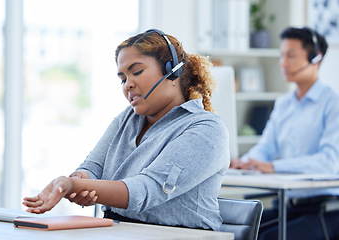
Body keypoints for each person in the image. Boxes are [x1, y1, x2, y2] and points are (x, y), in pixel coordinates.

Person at [23, 29, 230, 231]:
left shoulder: (207, 129)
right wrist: (82, 180)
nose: (127, 85)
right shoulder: (128, 119)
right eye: (122, 78)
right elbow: (93, 167)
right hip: (119, 231)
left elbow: (145, 190)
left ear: (172, 71)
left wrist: (73, 186)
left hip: (178, 236)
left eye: (137, 72)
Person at [231, 27, 339, 240]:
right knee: (236, 230)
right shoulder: (283, 104)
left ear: (315, 58)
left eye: (291, 55)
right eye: (282, 55)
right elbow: (267, 147)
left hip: (324, 209)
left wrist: (274, 167)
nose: (283, 62)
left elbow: (329, 163)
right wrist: (246, 162)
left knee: (267, 237)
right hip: (287, 204)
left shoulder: (332, 103)